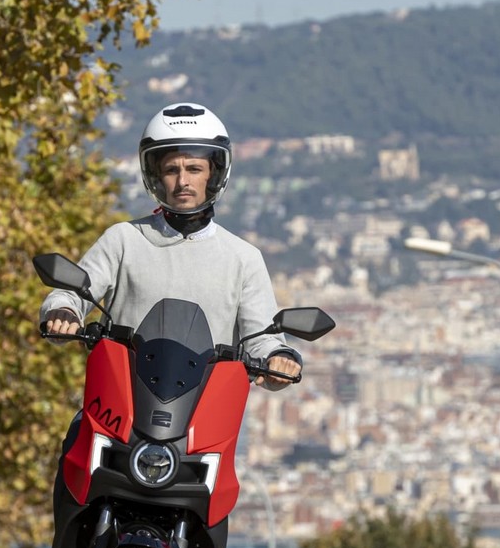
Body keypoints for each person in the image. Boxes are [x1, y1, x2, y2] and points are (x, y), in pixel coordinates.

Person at [39, 102, 302, 387]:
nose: (183, 181)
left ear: (213, 174)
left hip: (203, 411)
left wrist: (279, 356)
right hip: (119, 400)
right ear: (156, 176)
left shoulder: (243, 258)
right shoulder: (123, 239)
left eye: (194, 169)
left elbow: (262, 337)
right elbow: (71, 294)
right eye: (171, 170)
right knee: (78, 433)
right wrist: (63, 312)